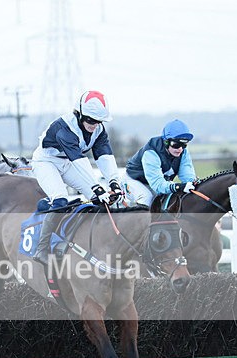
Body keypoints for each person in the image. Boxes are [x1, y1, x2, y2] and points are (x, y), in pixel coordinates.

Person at [31, 90, 125, 265]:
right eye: (90, 120)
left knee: (99, 200)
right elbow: (80, 161)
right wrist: (96, 187)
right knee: (60, 200)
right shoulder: (65, 129)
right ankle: (41, 249)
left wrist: (114, 181)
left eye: (98, 121)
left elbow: (105, 156)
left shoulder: (99, 131)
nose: (94, 124)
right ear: (79, 114)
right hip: (46, 162)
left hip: (67, 162)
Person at [123, 119, 197, 208]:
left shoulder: (183, 152)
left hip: (158, 181)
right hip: (135, 180)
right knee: (147, 198)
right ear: (166, 142)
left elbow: (187, 176)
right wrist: (178, 187)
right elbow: (157, 184)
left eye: (184, 145)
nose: (180, 149)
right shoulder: (151, 153)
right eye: (176, 144)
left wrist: (194, 183)